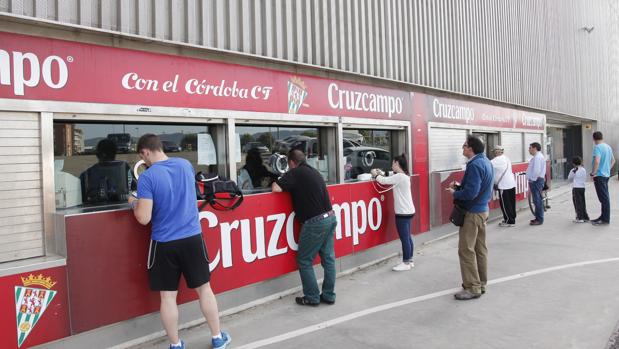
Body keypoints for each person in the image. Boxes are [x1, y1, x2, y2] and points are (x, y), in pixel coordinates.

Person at [128, 134, 231, 349]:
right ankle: (217, 337)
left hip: (164, 243)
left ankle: (175, 345)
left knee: (167, 298)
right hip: (192, 239)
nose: (144, 162)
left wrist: (133, 201)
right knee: (205, 289)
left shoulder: (147, 178)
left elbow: (143, 217)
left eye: (143, 157)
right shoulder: (185, 165)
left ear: (145, 152)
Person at [272, 149, 338, 306]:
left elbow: (276, 188)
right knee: (328, 259)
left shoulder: (295, 173)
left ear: (292, 163)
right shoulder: (313, 171)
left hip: (315, 223)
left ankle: (312, 296)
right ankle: (329, 295)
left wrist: (277, 179)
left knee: (304, 260)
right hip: (330, 217)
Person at [446, 135, 493, 300]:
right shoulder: (486, 162)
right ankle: (481, 284)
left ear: (471, 148)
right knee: (480, 249)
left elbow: (471, 192)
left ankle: (472, 288)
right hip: (482, 210)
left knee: (466, 250)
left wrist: (455, 192)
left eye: (464, 145)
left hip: (472, 213)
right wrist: (460, 187)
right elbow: (480, 187)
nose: (462, 148)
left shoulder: (474, 165)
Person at [371, 154, 416, 271]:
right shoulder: (404, 176)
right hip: (409, 210)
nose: (391, 166)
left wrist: (376, 175)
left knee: (404, 238)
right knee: (408, 237)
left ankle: (406, 263)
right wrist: (381, 172)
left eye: (392, 163)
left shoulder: (399, 177)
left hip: (402, 212)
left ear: (397, 163)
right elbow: (390, 176)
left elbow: (384, 181)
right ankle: (410, 260)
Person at [80, 138, 134, 204]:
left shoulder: (87, 175)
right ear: (115, 153)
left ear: (99, 154)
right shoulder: (126, 169)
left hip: (95, 211)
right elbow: (135, 190)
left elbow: (81, 200)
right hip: (123, 208)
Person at [590, 131, 615, 226]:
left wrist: (593, 173)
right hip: (606, 176)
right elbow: (613, 160)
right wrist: (607, 169)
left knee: (603, 198)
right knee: (604, 197)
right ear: (602, 137)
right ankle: (603, 216)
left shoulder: (597, 147)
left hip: (599, 176)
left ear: (594, 139)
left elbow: (597, 161)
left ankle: (605, 219)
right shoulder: (608, 147)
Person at [490, 145, 517, 227]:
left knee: (505, 204)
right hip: (511, 183)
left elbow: (486, 165)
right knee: (512, 202)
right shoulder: (506, 158)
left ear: (497, 152)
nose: (493, 153)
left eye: (494, 152)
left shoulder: (496, 160)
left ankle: (509, 221)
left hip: (504, 185)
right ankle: (512, 218)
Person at [525, 142, 546, 226]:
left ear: (534, 148)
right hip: (537, 180)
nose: (529, 150)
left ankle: (539, 219)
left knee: (537, 200)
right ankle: (538, 217)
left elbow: (536, 171)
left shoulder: (537, 157)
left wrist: (532, 179)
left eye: (530, 148)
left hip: (536, 181)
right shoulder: (537, 157)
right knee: (537, 200)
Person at [568, 156, 590, 223]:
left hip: (576, 188)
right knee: (582, 202)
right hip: (582, 187)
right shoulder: (583, 169)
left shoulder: (573, 170)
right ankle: (585, 217)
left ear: (573, 163)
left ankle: (579, 218)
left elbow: (569, 178)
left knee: (577, 203)